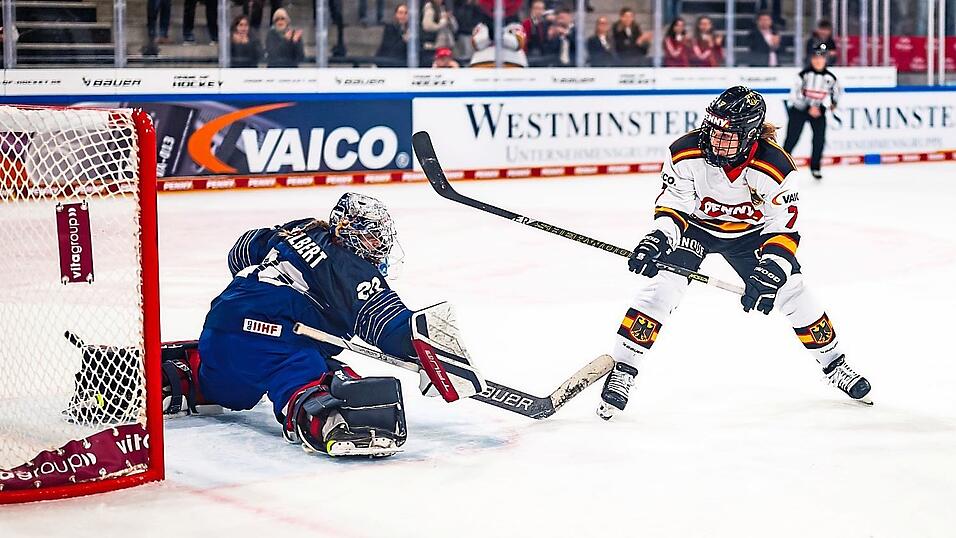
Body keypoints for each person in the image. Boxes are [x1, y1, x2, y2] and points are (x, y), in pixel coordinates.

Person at [597, 86, 871, 420]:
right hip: (695, 229)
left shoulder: (776, 167)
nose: (716, 140)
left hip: (750, 236)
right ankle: (623, 368)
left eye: (727, 135)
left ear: (749, 135)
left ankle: (835, 364)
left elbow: (783, 228)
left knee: (792, 292)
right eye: (713, 130)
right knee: (663, 288)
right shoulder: (685, 152)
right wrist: (659, 237)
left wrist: (771, 269)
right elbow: (675, 204)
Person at [161, 194, 472, 457]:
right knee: (308, 372)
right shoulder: (352, 269)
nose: (378, 245)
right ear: (348, 231)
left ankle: (180, 376)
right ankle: (326, 415)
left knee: (225, 390)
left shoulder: (301, 229)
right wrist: (435, 357)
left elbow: (243, 249)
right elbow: (391, 328)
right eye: (371, 236)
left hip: (220, 325)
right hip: (274, 340)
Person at [784, 43, 842, 180]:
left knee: (819, 139)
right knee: (792, 138)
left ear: (825, 59)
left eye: (821, 57)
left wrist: (830, 105)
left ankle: (815, 167)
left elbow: (836, 93)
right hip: (799, 110)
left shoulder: (831, 78)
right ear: (811, 59)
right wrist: (809, 107)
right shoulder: (803, 75)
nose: (818, 60)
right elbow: (794, 95)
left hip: (818, 111)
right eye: (815, 57)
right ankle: (783, 166)